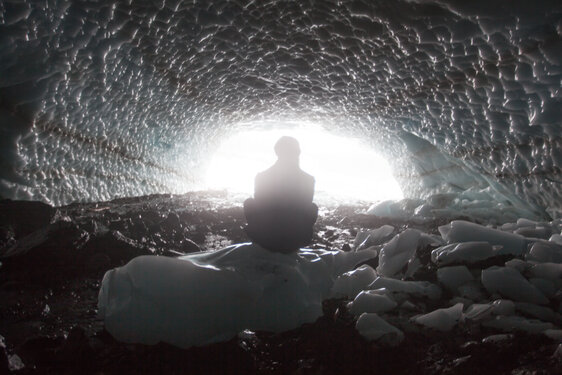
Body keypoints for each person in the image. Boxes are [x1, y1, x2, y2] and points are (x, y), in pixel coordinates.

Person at [244, 136, 318, 253]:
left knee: (249, 202)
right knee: (313, 207)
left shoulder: (262, 177)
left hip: (264, 238)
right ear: (298, 152)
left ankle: (262, 237)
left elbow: (259, 206)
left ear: (277, 152)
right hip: (295, 240)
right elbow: (306, 209)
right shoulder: (308, 179)